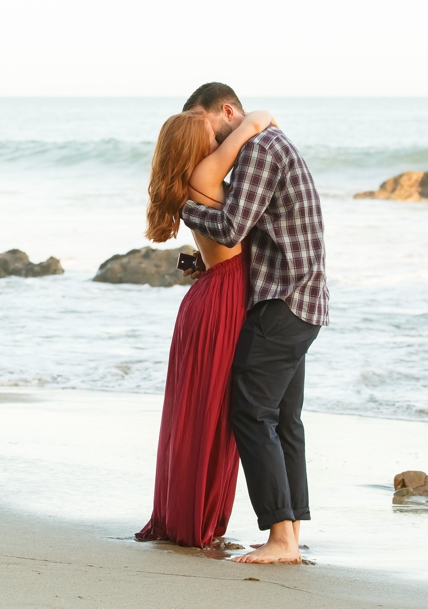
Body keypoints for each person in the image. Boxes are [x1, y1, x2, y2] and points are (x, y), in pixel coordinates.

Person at [180, 82, 329, 565]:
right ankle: (291, 534)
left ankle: (281, 539)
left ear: (227, 111)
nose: (209, 143)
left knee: (250, 412)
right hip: (301, 300)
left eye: (206, 128)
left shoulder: (259, 149)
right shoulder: (264, 144)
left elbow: (230, 229)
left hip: (283, 302)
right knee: (285, 420)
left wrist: (180, 203)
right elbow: (257, 235)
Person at [135, 107, 276, 549]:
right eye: (210, 133)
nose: (218, 138)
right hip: (223, 300)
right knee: (212, 411)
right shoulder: (206, 173)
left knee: (201, 411)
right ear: (194, 148)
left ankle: (191, 514)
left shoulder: (194, 180)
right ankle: (199, 518)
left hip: (213, 295)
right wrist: (257, 120)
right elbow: (255, 123)